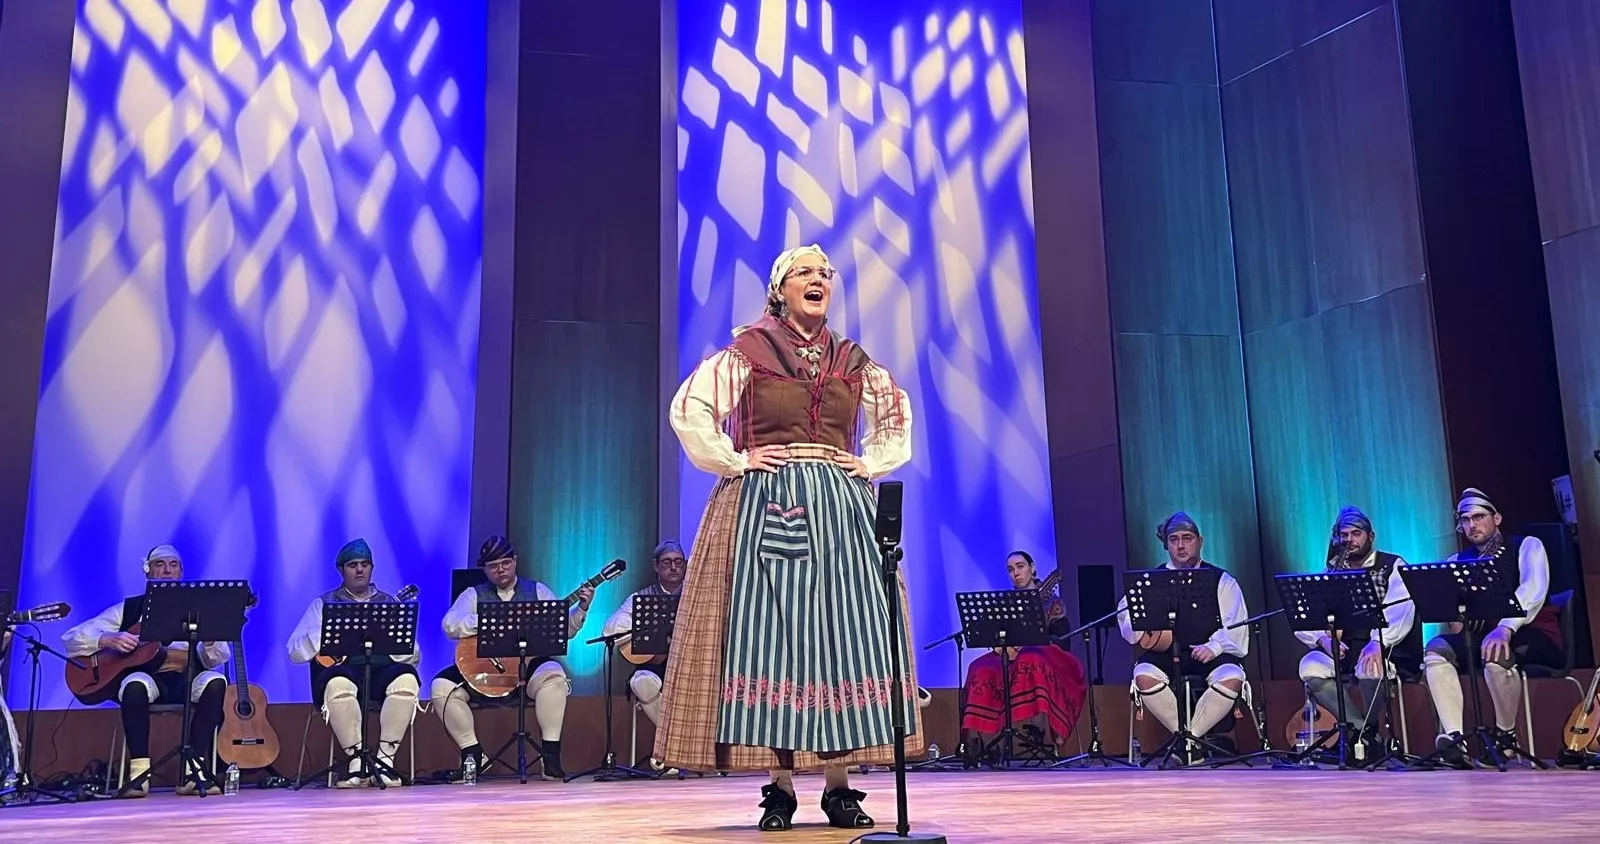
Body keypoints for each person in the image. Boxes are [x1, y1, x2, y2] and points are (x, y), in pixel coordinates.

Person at [655, 244, 919, 832]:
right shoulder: (749, 351)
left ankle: (839, 785)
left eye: (825, 274)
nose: (818, 279)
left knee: (845, 636)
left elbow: (894, 415)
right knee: (771, 635)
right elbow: (692, 409)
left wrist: (870, 462)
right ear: (781, 288)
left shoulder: (851, 358)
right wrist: (735, 457)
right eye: (805, 273)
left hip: (840, 505)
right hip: (767, 497)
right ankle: (777, 786)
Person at [61, 545, 230, 796]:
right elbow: (72, 637)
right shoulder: (129, 609)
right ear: (148, 571)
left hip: (186, 680)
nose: (167, 570)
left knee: (216, 681)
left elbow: (216, 657)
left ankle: (193, 771)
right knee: (134, 684)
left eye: (173, 565)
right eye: (160, 564)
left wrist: (209, 641)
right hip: (149, 679)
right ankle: (139, 773)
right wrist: (107, 639)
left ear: (181, 572)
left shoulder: (198, 609)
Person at [430, 535, 593, 781]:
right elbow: (449, 625)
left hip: (528, 669)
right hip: (486, 671)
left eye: (505, 563)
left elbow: (564, 630)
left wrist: (581, 608)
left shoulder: (537, 590)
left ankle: (550, 757)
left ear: (515, 561)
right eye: (493, 566)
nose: (500, 569)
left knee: (555, 677)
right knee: (441, 687)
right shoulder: (473, 594)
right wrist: (490, 619)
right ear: (484, 569)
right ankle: (473, 754)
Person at [1423, 488, 1560, 768]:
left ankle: (1505, 737)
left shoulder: (1526, 546)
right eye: (1465, 519)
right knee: (1436, 649)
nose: (1472, 524)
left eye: (1479, 517)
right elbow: (1454, 611)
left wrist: (1506, 627)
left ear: (1496, 518)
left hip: (1533, 634)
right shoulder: (1455, 562)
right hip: (1482, 639)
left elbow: (1532, 590)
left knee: (1495, 652)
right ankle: (1454, 739)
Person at [285, 538, 421, 787]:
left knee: (407, 678)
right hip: (343, 672)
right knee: (338, 684)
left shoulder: (389, 603)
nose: (360, 569)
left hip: (380, 673)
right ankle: (356, 763)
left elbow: (412, 655)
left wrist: (396, 638)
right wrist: (324, 639)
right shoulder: (323, 604)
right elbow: (293, 650)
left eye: (365, 564)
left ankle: (385, 762)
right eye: (353, 565)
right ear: (341, 570)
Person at [1117, 513, 1248, 764]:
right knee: (1143, 674)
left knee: (1231, 676)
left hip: (1208, 652)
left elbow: (1236, 622)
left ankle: (1188, 741)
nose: (1180, 545)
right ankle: (1190, 744)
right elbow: (1127, 616)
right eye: (1174, 539)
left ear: (1200, 541)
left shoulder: (1221, 580)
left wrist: (1214, 646)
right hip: (1165, 653)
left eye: (1187, 538)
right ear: (1166, 544)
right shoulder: (1149, 581)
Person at [1293, 507, 1418, 759]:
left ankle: (1365, 732)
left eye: (1356, 533)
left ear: (1370, 537)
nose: (1349, 540)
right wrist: (1324, 641)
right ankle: (1361, 729)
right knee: (1309, 666)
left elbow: (1402, 610)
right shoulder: (1333, 571)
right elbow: (1312, 617)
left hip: (1384, 646)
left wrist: (1376, 643)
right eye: (1344, 534)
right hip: (1345, 649)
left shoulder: (1392, 565)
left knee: (1369, 666)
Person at [960, 551, 1087, 761]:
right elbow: (992, 634)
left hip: (1044, 657)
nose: (1015, 573)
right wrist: (1000, 646)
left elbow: (1063, 641)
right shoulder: (1004, 605)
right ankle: (983, 740)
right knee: (978, 668)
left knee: (1029, 659)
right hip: (1009, 656)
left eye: (1020, 566)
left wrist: (1028, 643)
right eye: (1011, 569)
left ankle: (1037, 731)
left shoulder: (1053, 603)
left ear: (1032, 567)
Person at [600, 539, 687, 769]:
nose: (673, 567)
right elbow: (611, 628)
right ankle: (671, 746)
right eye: (667, 562)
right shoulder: (641, 598)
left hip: (691, 667)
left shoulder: (697, 597)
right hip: (655, 666)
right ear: (655, 566)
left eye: (679, 562)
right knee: (642, 683)